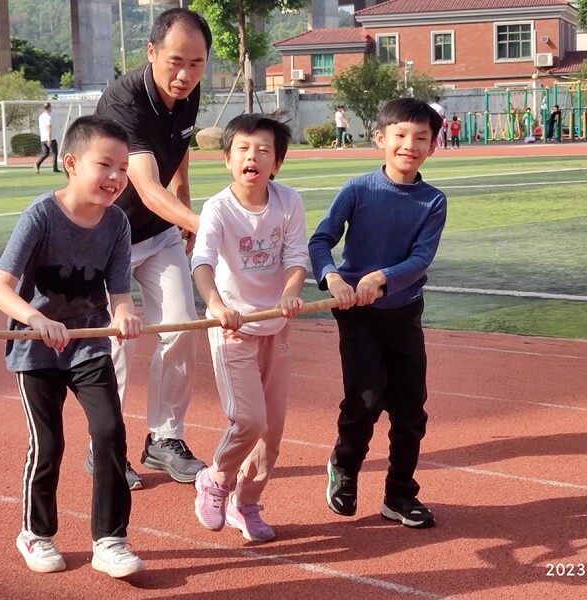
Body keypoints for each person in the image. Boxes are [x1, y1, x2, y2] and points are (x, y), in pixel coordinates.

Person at [0, 115, 146, 578]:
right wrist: (36, 320)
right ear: (72, 163)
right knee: (49, 443)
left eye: (123, 167)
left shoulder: (117, 222)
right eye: (105, 165)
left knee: (110, 433)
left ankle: (110, 540)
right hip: (35, 350)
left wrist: (124, 314)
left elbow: (118, 293)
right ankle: (36, 534)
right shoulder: (41, 215)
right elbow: (0, 287)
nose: (116, 177)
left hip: (87, 345)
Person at [308, 97, 447, 529]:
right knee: (365, 401)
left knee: (410, 409)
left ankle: (399, 495)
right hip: (356, 314)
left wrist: (382, 277)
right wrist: (333, 278)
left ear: (433, 146)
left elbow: (421, 259)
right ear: (381, 139)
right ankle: (345, 466)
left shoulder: (433, 201)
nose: (410, 145)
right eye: (401, 136)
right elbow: (320, 242)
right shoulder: (357, 189)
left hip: (403, 313)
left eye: (421, 138)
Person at [92, 8, 212, 488]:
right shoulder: (124, 103)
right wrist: (203, 224)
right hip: (108, 235)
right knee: (116, 344)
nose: (185, 75)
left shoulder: (190, 91)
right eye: (176, 62)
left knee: (181, 327)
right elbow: (142, 185)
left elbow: (178, 161)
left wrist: (184, 218)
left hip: (159, 233)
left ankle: (164, 440)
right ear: (151, 53)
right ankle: (107, 446)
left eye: (197, 63)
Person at [190, 113, 308, 542]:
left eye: (263, 150)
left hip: (274, 327)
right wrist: (217, 306)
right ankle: (216, 480)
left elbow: (296, 258)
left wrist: (291, 292)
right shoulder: (218, 207)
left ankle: (246, 503)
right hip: (233, 327)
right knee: (249, 420)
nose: (252, 156)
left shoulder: (288, 201)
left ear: (276, 163)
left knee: (272, 431)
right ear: (227, 159)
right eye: (242, 148)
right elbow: (201, 262)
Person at [35, 103, 60, 174]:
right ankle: (55, 168)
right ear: (49, 107)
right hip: (50, 138)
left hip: (43, 138)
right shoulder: (48, 117)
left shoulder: (41, 116)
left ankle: (37, 164)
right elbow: (48, 128)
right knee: (55, 153)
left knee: (45, 153)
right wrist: (49, 139)